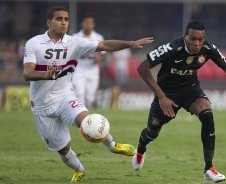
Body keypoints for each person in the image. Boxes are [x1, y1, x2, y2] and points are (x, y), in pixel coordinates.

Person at [23, 6, 153, 182]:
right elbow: (27, 73)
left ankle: (113, 145)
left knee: (88, 121)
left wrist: (129, 44)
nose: (63, 23)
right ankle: (79, 170)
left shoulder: (75, 42)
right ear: (49, 22)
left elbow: (104, 45)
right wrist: (44, 74)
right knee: (63, 149)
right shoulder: (34, 43)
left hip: (64, 96)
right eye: (59, 19)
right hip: (41, 106)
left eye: (66, 19)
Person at [132, 21, 226, 183]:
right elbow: (142, 68)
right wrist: (162, 97)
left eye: (200, 39)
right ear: (185, 36)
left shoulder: (208, 49)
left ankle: (209, 169)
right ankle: (141, 150)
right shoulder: (172, 47)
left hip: (190, 89)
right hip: (166, 92)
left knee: (207, 114)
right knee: (152, 130)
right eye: (192, 39)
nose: (197, 43)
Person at [72, 14, 105, 108]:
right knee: (79, 94)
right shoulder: (76, 37)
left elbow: (103, 54)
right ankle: (81, 117)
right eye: (86, 22)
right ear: (82, 23)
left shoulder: (98, 37)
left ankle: (86, 116)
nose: (88, 25)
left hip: (93, 70)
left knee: (90, 98)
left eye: (90, 23)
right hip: (78, 69)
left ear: (93, 24)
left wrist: (99, 59)